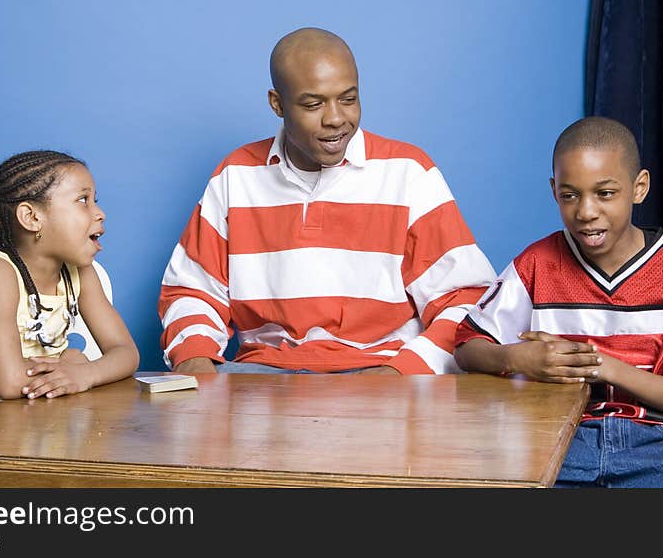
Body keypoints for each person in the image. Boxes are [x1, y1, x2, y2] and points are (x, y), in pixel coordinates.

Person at [158, 27, 496, 375]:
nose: (336, 118)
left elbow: (465, 299)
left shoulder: (408, 172)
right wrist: (196, 367)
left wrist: (401, 374)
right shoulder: (236, 175)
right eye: (313, 104)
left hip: (384, 374)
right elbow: (191, 291)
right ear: (277, 104)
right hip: (262, 381)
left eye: (348, 99)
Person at [454, 116, 663, 487]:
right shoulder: (535, 265)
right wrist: (517, 358)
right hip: (560, 439)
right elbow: (466, 348)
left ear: (639, 188)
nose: (586, 211)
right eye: (569, 195)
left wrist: (603, 367)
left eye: (605, 193)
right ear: (554, 190)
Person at [0, 150, 140, 417]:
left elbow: (126, 353)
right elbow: (10, 381)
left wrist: (87, 372)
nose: (100, 213)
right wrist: (64, 364)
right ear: (32, 218)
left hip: (33, 411)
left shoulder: (81, 272)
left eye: (95, 200)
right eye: (83, 200)